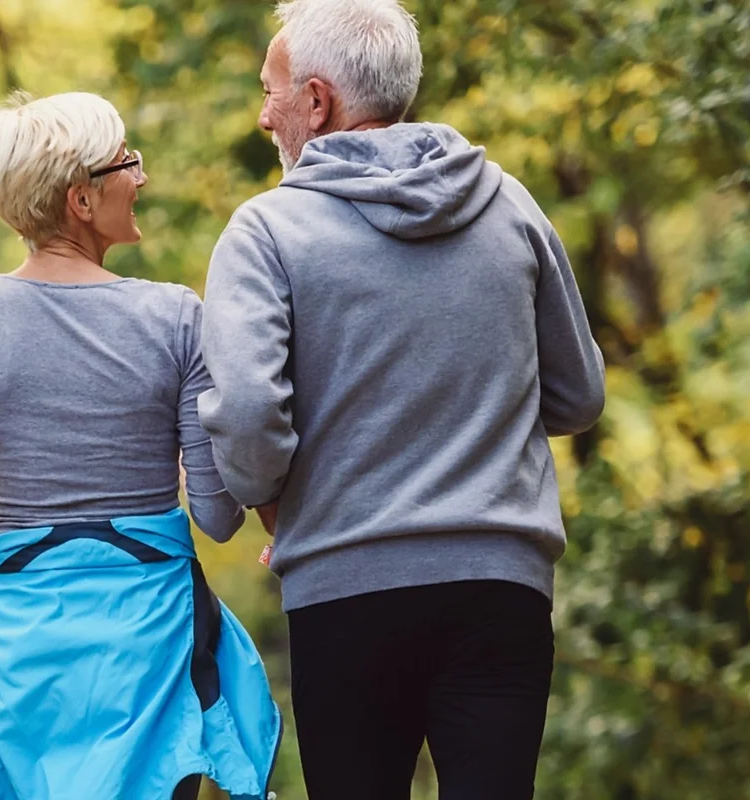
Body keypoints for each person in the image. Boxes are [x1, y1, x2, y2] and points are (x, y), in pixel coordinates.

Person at [196, 0, 608, 797]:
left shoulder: (266, 231)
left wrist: (269, 495)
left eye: (272, 92)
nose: (264, 115)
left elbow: (248, 421)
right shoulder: (508, 203)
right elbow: (579, 395)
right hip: (501, 585)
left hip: (345, 589)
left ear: (318, 101)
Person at [0, 91, 279, 800]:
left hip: (18, 642)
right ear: (80, 198)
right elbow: (218, 518)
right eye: (126, 162)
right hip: (150, 641)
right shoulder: (175, 317)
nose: (141, 176)